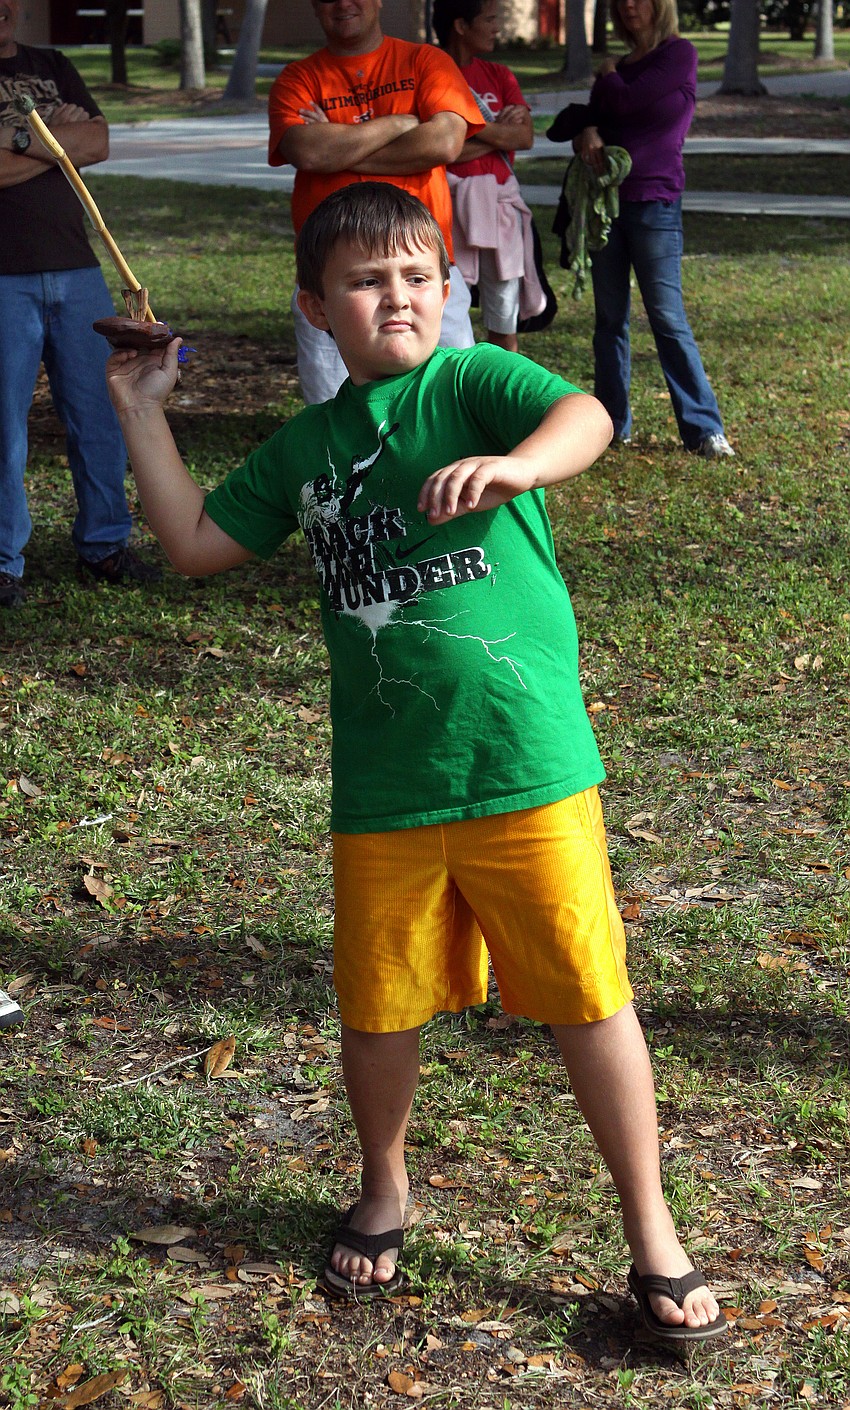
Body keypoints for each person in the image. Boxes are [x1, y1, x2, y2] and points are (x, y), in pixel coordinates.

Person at [105, 181, 727, 1344]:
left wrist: (519, 468)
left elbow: (585, 413)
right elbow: (193, 546)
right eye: (362, 280)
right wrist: (144, 410)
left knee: (589, 997)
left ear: (444, 293)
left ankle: (652, 1233)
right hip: (386, 787)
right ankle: (384, 1186)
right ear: (316, 308)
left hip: (523, 765)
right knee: (379, 1008)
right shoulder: (308, 445)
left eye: (413, 275)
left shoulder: (475, 383)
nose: (393, 294)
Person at [0, 0, 160, 610]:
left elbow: (96, 141)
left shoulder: (53, 63)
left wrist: (17, 136)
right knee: (4, 426)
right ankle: (3, 562)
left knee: (99, 412)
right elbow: (72, 145)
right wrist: (52, 138)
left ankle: (105, 545)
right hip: (3, 277)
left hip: (78, 268)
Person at [267, 0, 485, 406]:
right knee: (335, 408)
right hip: (335, 277)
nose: (344, 4)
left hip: (421, 267)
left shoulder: (426, 61)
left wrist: (338, 146)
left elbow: (445, 141)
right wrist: (400, 123)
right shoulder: (298, 77)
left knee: (450, 398)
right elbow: (307, 152)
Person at [547, 0, 734, 458]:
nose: (629, 6)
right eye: (620, 0)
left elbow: (626, 102)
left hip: (655, 202)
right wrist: (589, 130)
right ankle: (611, 425)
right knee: (609, 320)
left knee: (667, 318)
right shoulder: (621, 67)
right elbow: (595, 116)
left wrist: (608, 75)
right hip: (608, 208)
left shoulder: (678, 54)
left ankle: (704, 429)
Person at [433, 0, 543, 353]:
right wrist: (497, 133)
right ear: (461, 26)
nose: (497, 28)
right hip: (445, 209)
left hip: (499, 212)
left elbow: (524, 137)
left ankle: (501, 401)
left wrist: (466, 131)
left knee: (503, 321)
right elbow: (437, 150)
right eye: (490, 19)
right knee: (442, 317)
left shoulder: (500, 75)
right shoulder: (429, 71)